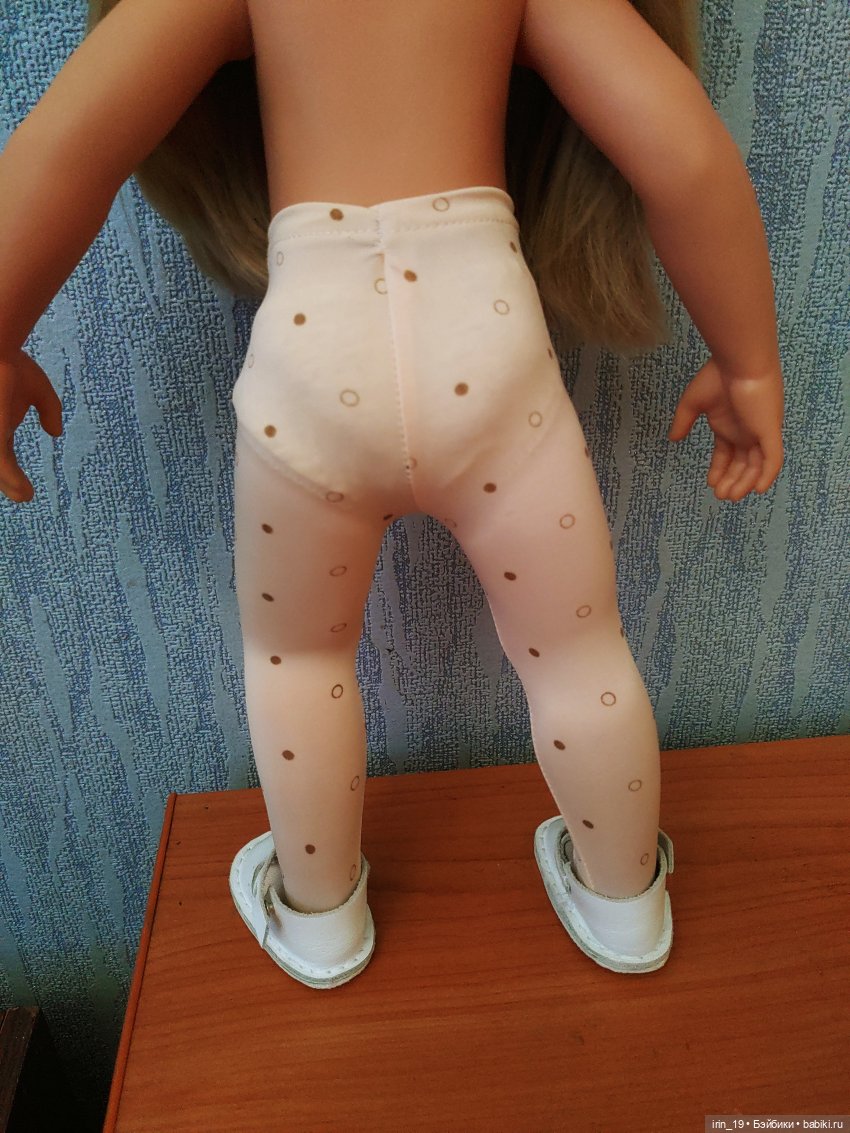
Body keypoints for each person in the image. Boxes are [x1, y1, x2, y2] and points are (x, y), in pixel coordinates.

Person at [0, 0, 784, 988]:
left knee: (297, 657)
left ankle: (320, 916)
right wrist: (748, 362)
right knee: (577, 653)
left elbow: (67, 147)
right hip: (486, 344)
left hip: (312, 360)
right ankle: (626, 900)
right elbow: (682, 148)